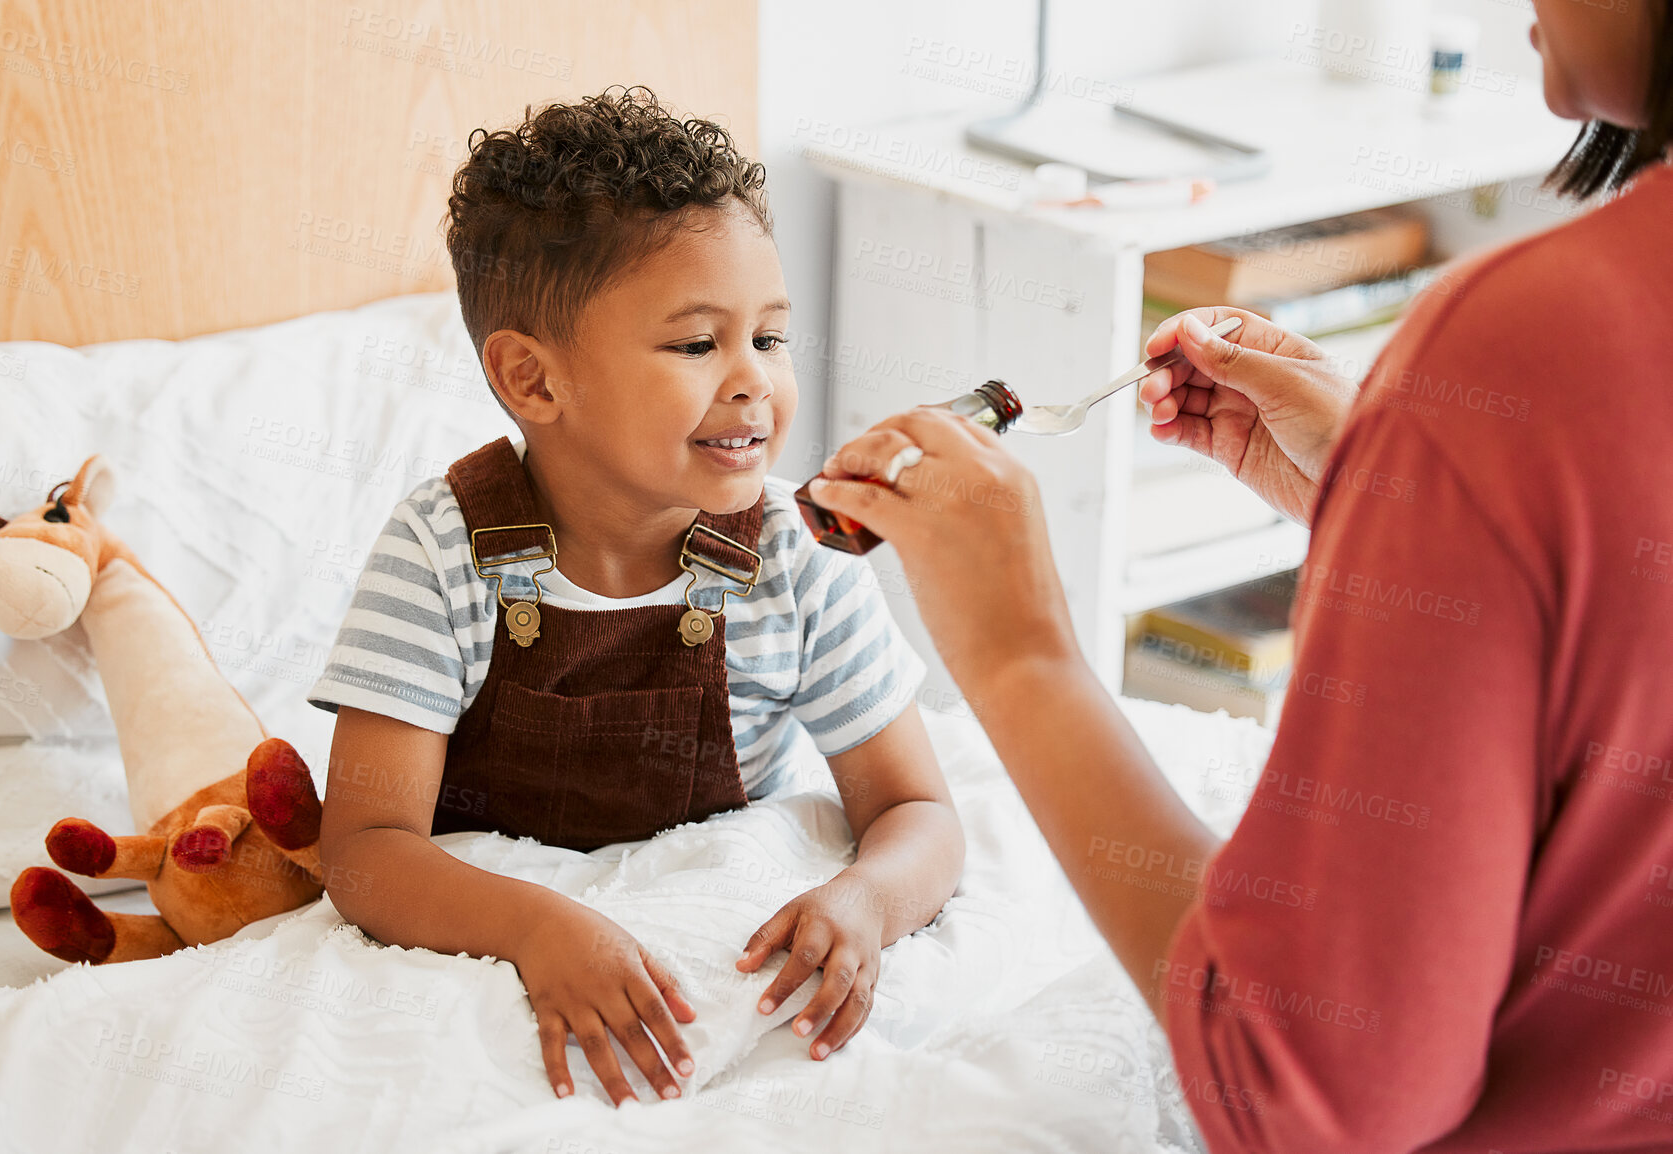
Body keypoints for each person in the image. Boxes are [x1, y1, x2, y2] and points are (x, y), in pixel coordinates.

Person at [806, 2, 1673, 1149]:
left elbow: (1312, 1087)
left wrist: (1020, 651)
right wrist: (1395, 501)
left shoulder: (1535, 339)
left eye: (770, 338)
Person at [305, 88, 963, 1108]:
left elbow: (919, 808)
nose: (754, 382)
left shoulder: (800, 551)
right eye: (698, 344)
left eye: (772, 338)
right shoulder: (443, 550)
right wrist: (536, 926)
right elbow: (363, 850)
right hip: (510, 945)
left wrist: (867, 897)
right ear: (533, 380)